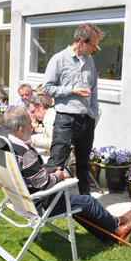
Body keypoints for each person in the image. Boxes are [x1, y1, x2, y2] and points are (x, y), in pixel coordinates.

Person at [3, 106, 131, 244]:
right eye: (28, 125)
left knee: (78, 206)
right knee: (88, 202)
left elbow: (29, 176)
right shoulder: (25, 152)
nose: (32, 127)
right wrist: (58, 176)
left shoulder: (5, 147)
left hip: (21, 202)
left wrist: (47, 172)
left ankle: (110, 232)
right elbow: (42, 183)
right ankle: (117, 228)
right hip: (39, 205)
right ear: (21, 129)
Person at [42, 23, 103, 196]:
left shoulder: (89, 61)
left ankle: (87, 203)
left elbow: (94, 90)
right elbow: (46, 88)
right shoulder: (59, 59)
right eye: (93, 45)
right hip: (66, 120)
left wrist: (93, 113)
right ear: (82, 41)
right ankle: (47, 201)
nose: (94, 49)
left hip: (87, 120)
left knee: (84, 165)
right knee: (56, 163)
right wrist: (72, 90)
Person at [26, 96, 56, 161]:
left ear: (41, 106)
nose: (33, 115)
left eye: (33, 112)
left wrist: (32, 139)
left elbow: (55, 142)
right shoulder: (49, 116)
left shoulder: (51, 118)